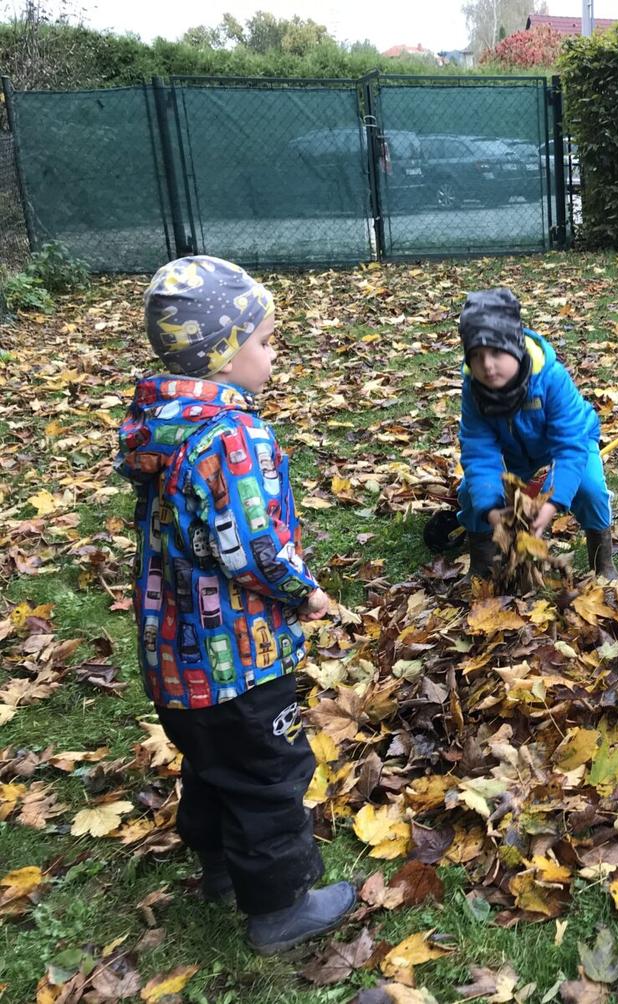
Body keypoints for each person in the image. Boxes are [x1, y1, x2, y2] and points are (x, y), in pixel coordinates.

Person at [116, 255, 354, 954]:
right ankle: (279, 906)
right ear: (222, 354)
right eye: (265, 339)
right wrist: (305, 593)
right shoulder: (232, 436)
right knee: (266, 775)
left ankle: (221, 870)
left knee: (212, 764)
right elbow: (252, 548)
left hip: (174, 661)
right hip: (237, 659)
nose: (274, 352)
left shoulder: (161, 425)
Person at [455, 287, 617, 581]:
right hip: (514, 456)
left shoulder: (551, 379)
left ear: (515, 346)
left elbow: (570, 447)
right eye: (476, 356)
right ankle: (481, 564)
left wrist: (552, 503)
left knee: (590, 488)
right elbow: (479, 452)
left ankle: (602, 561)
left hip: (570, 447)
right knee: (471, 492)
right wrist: (493, 513)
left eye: (496, 352)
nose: (487, 366)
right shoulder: (474, 390)